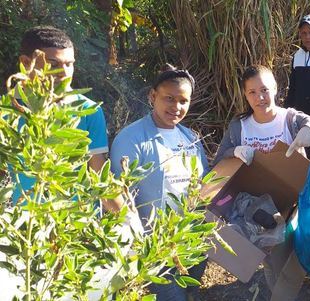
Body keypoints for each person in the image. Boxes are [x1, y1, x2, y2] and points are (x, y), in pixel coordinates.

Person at [214, 65, 310, 301]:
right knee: (268, 261)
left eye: (265, 90)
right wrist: (234, 151)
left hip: (290, 205)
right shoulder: (240, 126)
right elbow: (219, 159)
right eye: (252, 92)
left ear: (275, 88)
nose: (260, 98)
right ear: (245, 95)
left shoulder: (289, 118)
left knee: (286, 259)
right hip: (255, 209)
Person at [110, 64, 209, 301]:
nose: (176, 107)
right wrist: (137, 239)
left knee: (191, 288)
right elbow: (116, 191)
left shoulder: (190, 138)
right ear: (153, 96)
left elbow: (204, 182)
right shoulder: (131, 138)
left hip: (189, 237)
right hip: (153, 244)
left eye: (183, 101)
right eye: (169, 98)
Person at [11, 26, 122, 211]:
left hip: (76, 225)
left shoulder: (88, 110)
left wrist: (127, 218)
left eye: (69, 64)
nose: (64, 73)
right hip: (26, 228)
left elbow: (99, 172)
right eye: (53, 64)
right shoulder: (7, 109)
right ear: (25, 63)